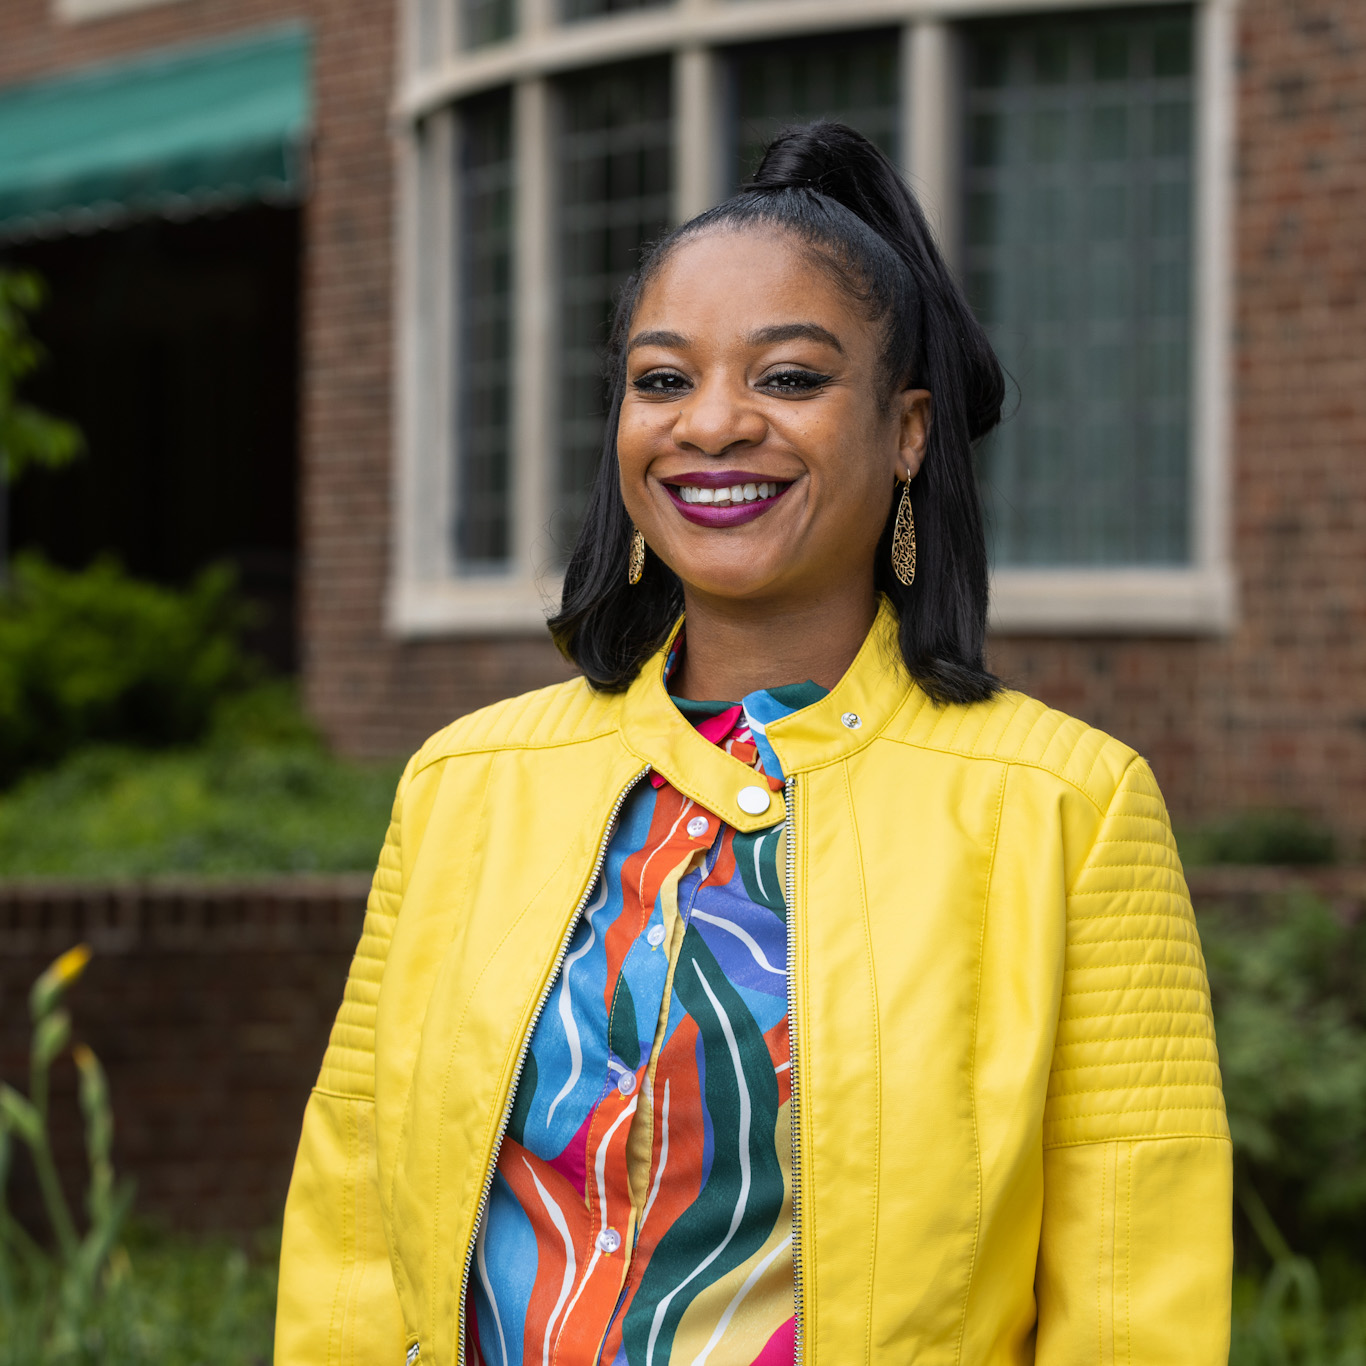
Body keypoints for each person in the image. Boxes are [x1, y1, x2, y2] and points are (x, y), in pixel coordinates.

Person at [275, 122, 1232, 1366]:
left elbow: (1130, 1297)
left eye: (788, 378)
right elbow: (353, 1229)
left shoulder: (1064, 807)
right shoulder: (465, 787)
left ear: (906, 432)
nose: (713, 425)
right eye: (662, 380)